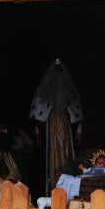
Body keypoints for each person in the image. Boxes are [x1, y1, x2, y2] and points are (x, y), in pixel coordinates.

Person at [29, 59, 83, 194]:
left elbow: (77, 115)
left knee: (67, 157)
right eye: (56, 71)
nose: (58, 75)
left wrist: (79, 132)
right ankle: (51, 188)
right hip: (49, 131)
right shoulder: (42, 91)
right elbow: (38, 118)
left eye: (60, 71)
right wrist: (37, 134)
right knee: (49, 159)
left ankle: (69, 190)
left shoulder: (71, 91)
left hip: (66, 131)